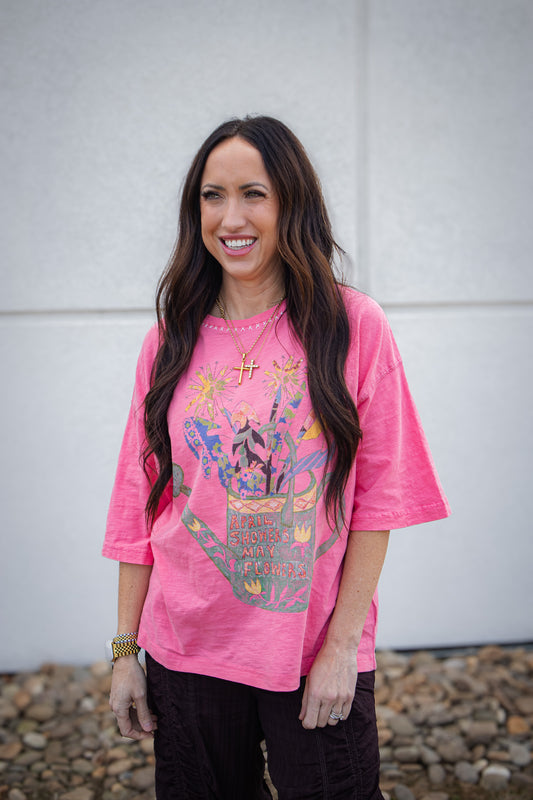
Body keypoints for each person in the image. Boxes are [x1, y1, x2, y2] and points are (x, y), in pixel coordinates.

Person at [103, 115, 450, 800]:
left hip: (308, 646)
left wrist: (341, 648)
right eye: (211, 195)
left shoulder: (351, 328)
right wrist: (123, 655)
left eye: (253, 193)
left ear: (291, 202)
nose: (231, 217)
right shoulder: (168, 342)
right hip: (187, 649)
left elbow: (379, 498)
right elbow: (140, 504)